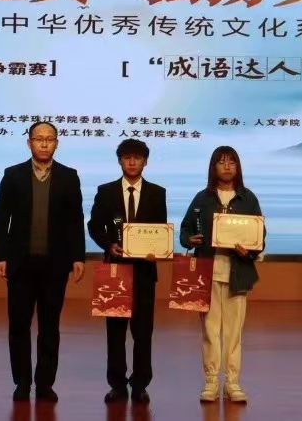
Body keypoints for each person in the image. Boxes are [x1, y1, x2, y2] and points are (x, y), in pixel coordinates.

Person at [0, 121, 87, 402]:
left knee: (50, 327)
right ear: (29, 143)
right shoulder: (13, 175)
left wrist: (78, 257)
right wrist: (1, 255)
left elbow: (76, 220)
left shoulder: (69, 176)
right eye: (39, 138)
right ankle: (22, 383)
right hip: (20, 265)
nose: (44, 143)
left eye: (49, 139)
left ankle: (45, 384)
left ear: (57, 143)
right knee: (19, 326)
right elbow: (1, 217)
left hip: (55, 266)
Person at [179, 146, 263, 403]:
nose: (227, 167)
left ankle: (233, 383)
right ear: (213, 167)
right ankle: (211, 381)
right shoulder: (202, 198)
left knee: (233, 333)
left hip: (238, 274)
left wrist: (249, 249)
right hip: (207, 273)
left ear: (238, 167)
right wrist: (189, 239)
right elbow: (185, 229)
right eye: (221, 162)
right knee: (210, 331)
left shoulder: (248, 198)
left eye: (232, 162)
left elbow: (260, 236)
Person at [87, 139, 167, 404]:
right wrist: (108, 244)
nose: (132, 162)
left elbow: (160, 230)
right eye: (127, 157)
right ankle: (117, 384)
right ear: (119, 161)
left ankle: (141, 383)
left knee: (143, 332)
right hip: (115, 270)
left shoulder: (157, 193)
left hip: (144, 271)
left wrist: (158, 249)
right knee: (115, 332)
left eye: (137, 157)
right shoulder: (105, 191)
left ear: (146, 161)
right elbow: (94, 226)